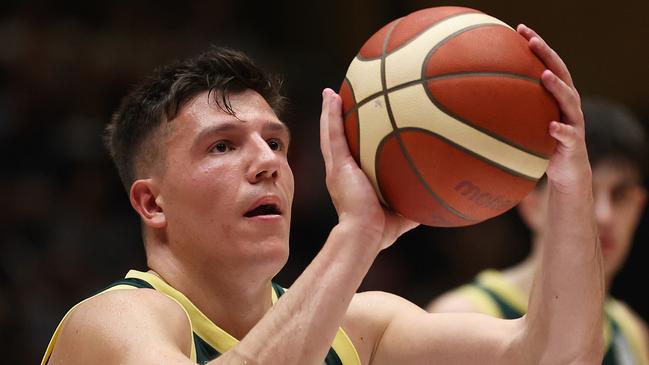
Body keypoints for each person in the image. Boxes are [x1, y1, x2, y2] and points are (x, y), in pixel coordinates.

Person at [42, 24, 603, 365]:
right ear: (152, 203)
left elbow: (559, 353)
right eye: (221, 147)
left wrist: (568, 186)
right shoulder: (113, 322)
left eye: (275, 142)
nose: (267, 161)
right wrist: (356, 238)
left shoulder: (361, 330)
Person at [427, 97, 649, 364]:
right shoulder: (460, 317)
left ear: (638, 208)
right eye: (584, 192)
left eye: (620, 195)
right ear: (531, 206)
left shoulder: (632, 333)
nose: (604, 215)